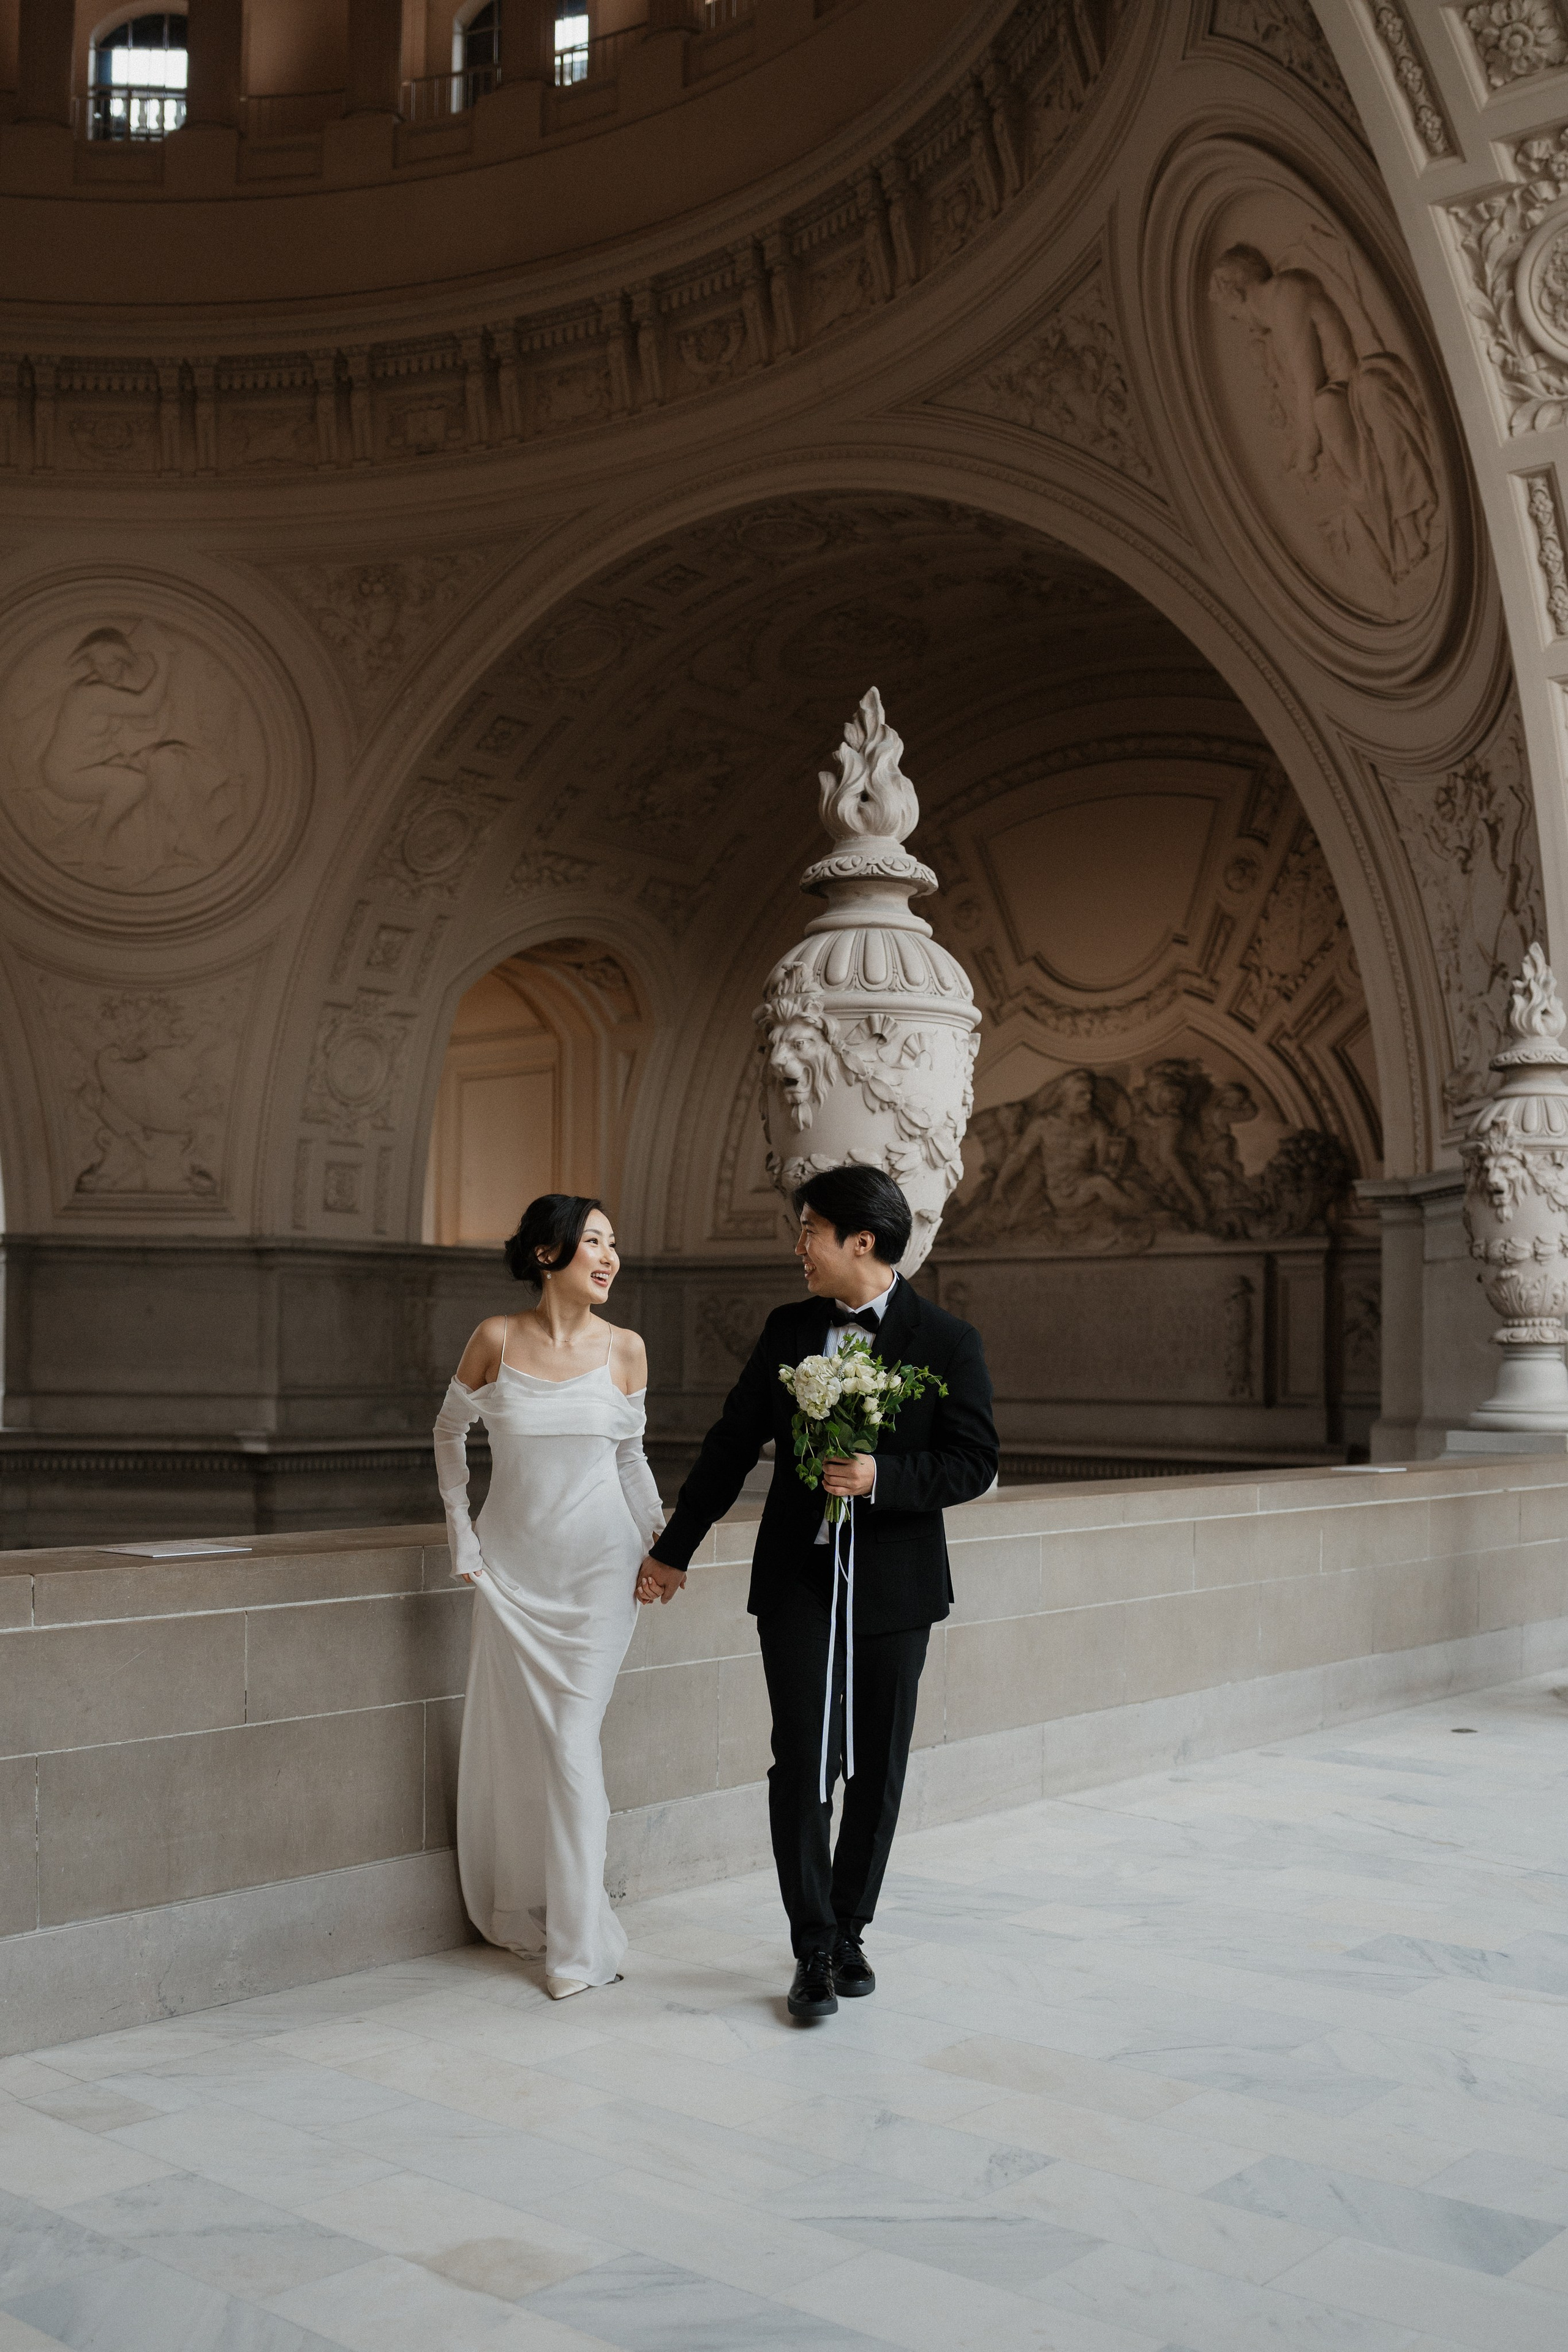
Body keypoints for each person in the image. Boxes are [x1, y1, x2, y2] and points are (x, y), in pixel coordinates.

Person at [637, 1165, 998, 2021]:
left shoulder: (947, 1340)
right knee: (801, 1759)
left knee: (877, 1765)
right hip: (799, 1581)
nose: (798, 1247)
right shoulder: (790, 1329)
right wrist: (674, 1550)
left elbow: (974, 1462)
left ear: (860, 1241)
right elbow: (731, 1447)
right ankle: (809, 1946)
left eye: (810, 1231)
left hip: (896, 1589)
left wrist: (881, 1476)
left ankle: (849, 1930)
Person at [432, 1196, 662, 2000]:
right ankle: (576, 1921)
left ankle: (573, 1948)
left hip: (603, 1571)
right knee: (541, 1749)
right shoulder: (495, 1339)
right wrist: (461, 1532)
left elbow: (631, 1459)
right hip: (514, 1572)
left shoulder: (627, 1350)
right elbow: (447, 1432)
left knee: (570, 1743)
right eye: (593, 1242)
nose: (609, 1257)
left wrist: (664, 1546)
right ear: (545, 1255)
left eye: (612, 1242)